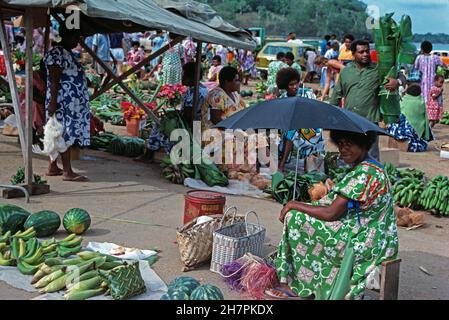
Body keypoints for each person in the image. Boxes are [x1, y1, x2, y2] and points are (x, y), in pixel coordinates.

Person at [266, 130, 398, 300]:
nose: (344, 149)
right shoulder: (371, 166)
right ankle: (308, 284)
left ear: (364, 143)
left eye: (349, 143)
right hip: (375, 234)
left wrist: (293, 204)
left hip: (367, 241)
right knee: (302, 215)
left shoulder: (366, 172)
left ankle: (295, 286)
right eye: (341, 144)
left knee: (294, 218)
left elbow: (331, 213)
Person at [329, 39, 405, 161]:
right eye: (361, 52)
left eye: (367, 51)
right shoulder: (346, 71)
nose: (365, 54)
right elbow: (336, 96)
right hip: (350, 121)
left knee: (371, 156)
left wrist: (397, 82)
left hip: (369, 122)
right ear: (353, 54)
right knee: (350, 154)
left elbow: (400, 75)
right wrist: (332, 117)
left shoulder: (378, 70)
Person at [44, 27, 90, 181]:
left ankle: (53, 166)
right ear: (66, 36)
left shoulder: (67, 53)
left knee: (56, 132)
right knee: (63, 133)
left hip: (69, 102)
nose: (77, 41)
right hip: (63, 102)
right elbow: (55, 80)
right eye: (75, 37)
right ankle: (67, 171)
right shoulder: (57, 53)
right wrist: (52, 103)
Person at [275, 68, 325, 173]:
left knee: (292, 132)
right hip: (292, 127)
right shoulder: (284, 98)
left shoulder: (307, 94)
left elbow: (314, 112)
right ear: (285, 86)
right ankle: (283, 161)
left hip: (310, 127)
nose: (295, 87)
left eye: (296, 83)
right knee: (290, 131)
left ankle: (286, 164)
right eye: (291, 85)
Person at [387, 84, 432, 152]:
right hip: (414, 134)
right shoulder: (421, 102)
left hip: (400, 132)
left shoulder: (403, 100)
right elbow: (425, 120)